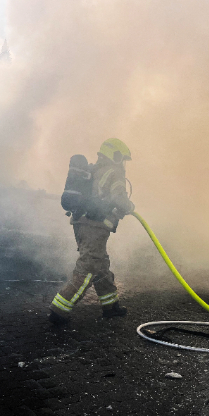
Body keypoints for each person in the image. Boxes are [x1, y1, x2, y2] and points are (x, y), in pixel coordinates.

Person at [48, 138, 135, 325]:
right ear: (115, 155)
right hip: (95, 227)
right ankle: (59, 310)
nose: (124, 163)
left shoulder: (94, 170)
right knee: (88, 267)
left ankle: (110, 306)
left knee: (100, 265)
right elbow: (119, 199)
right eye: (123, 158)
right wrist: (129, 206)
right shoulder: (114, 172)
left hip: (81, 224)